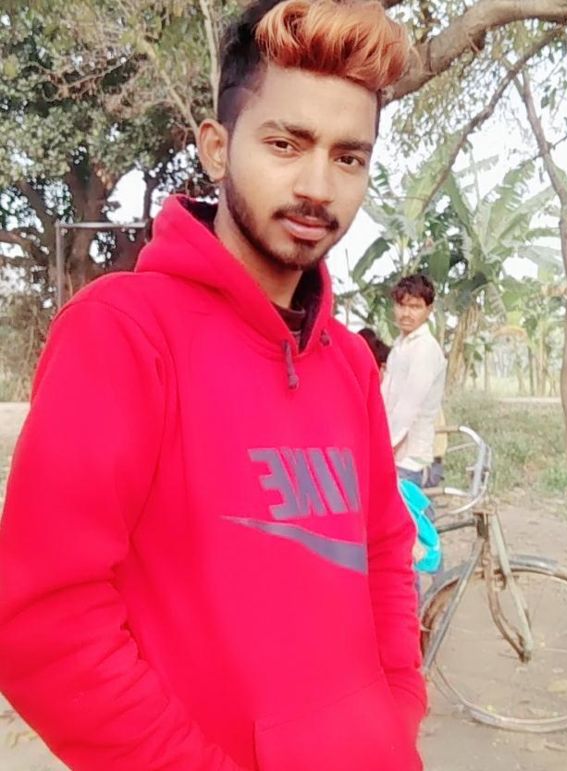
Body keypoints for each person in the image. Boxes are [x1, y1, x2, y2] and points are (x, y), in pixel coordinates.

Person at [0, 2, 426, 770]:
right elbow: (44, 622)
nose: (317, 186)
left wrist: (394, 718)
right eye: (286, 143)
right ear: (217, 147)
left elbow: (387, 552)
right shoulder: (122, 335)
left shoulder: (350, 364)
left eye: (348, 157)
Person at [382, 273, 447, 489]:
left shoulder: (425, 348)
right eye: (401, 305)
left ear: (429, 310)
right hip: (392, 456)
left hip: (410, 460)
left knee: (409, 511)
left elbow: (409, 407)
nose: (406, 313)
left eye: (415, 307)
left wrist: (386, 449)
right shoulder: (400, 346)